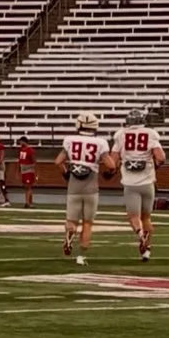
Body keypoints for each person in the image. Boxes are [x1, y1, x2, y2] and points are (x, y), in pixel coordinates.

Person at [109, 122, 166, 258]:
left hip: (130, 184)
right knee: (146, 217)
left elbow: (113, 161)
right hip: (147, 182)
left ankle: (140, 234)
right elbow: (161, 158)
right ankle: (147, 251)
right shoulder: (150, 133)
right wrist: (155, 166)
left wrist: (112, 171)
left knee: (134, 217)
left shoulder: (121, 134)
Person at [58, 113, 106, 265]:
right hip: (91, 186)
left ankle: (69, 234)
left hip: (74, 185)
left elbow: (58, 161)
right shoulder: (100, 142)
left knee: (71, 220)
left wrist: (66, 173)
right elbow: (111, 164)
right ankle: (81, 255)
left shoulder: (70, 140)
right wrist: (110, 171)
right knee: (88, 223)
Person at [16, 137, 39, 208]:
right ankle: (29, 202)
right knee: (27, 187)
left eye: (21, 142)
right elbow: (20, 161)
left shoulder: (30, 150)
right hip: (23, 169)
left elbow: (34, 161)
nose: (20, 143)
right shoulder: (21, 150)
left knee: (28, 186)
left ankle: (27, 202)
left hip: (29, 169)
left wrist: (36, 172)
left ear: (24, 142)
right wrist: (18, 171)